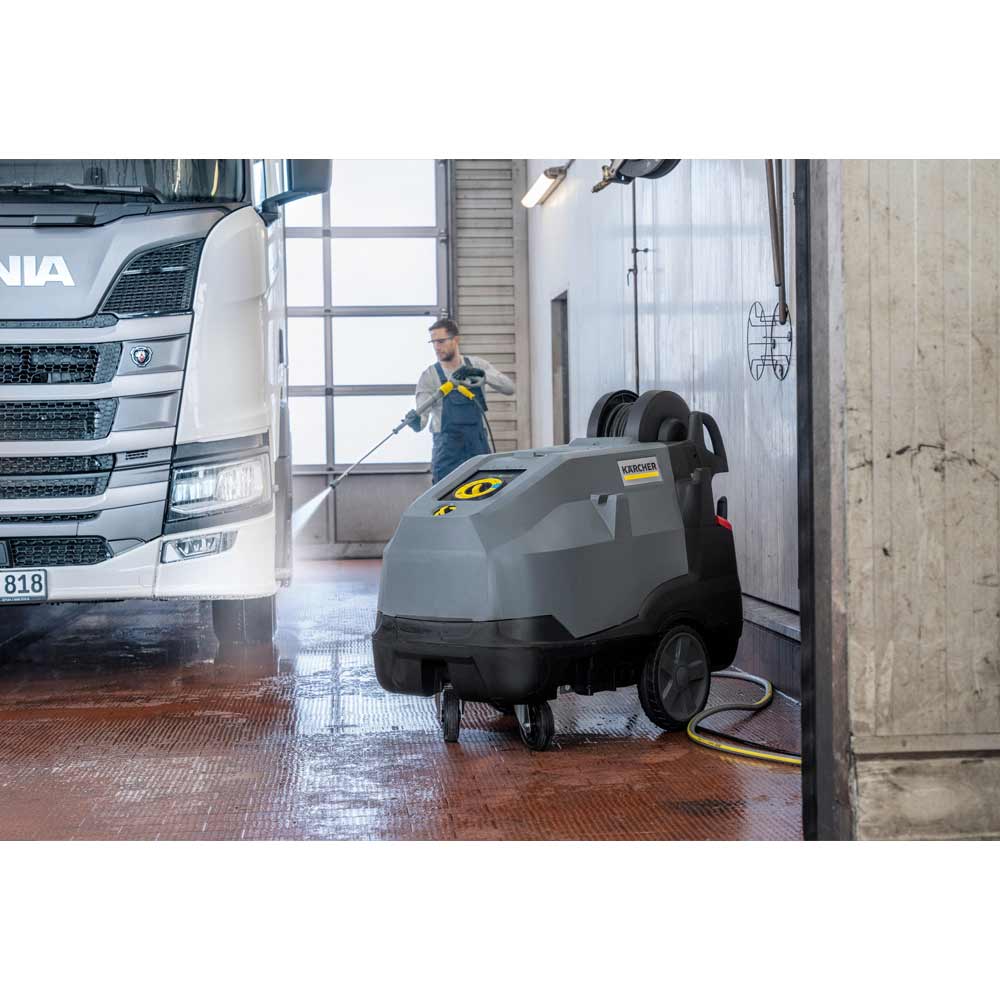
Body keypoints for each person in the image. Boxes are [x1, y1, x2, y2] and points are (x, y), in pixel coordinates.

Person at [404, 319, 515, 483]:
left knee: (483, 493)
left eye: (441, 341)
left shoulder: (477, 365)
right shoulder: (429, 376)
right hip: (447, 452)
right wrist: (415, 422)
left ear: (455, 339)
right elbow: (421, 421)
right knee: (446, 497)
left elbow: (509, 388)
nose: (436, 347)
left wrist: (483, 375)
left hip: (477, 448)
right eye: (433, 342)